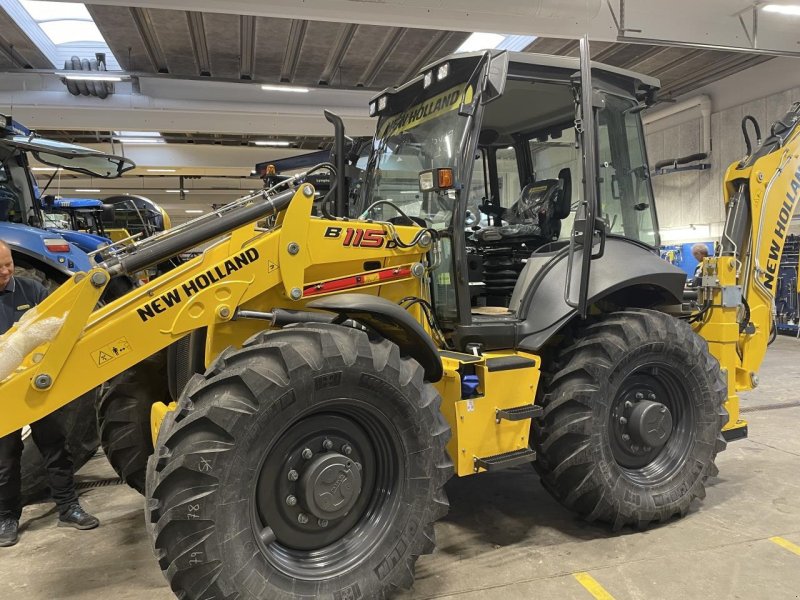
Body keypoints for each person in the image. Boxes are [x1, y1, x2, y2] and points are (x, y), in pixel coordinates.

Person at [0, 239, 99, 547]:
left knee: (55, 447)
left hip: (35, 387)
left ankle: (69, 507)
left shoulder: (31, 290)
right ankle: (6, 518)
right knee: (5, 457)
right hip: (3, 393)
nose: (5, 271)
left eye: (8, 264)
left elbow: (58, 324)